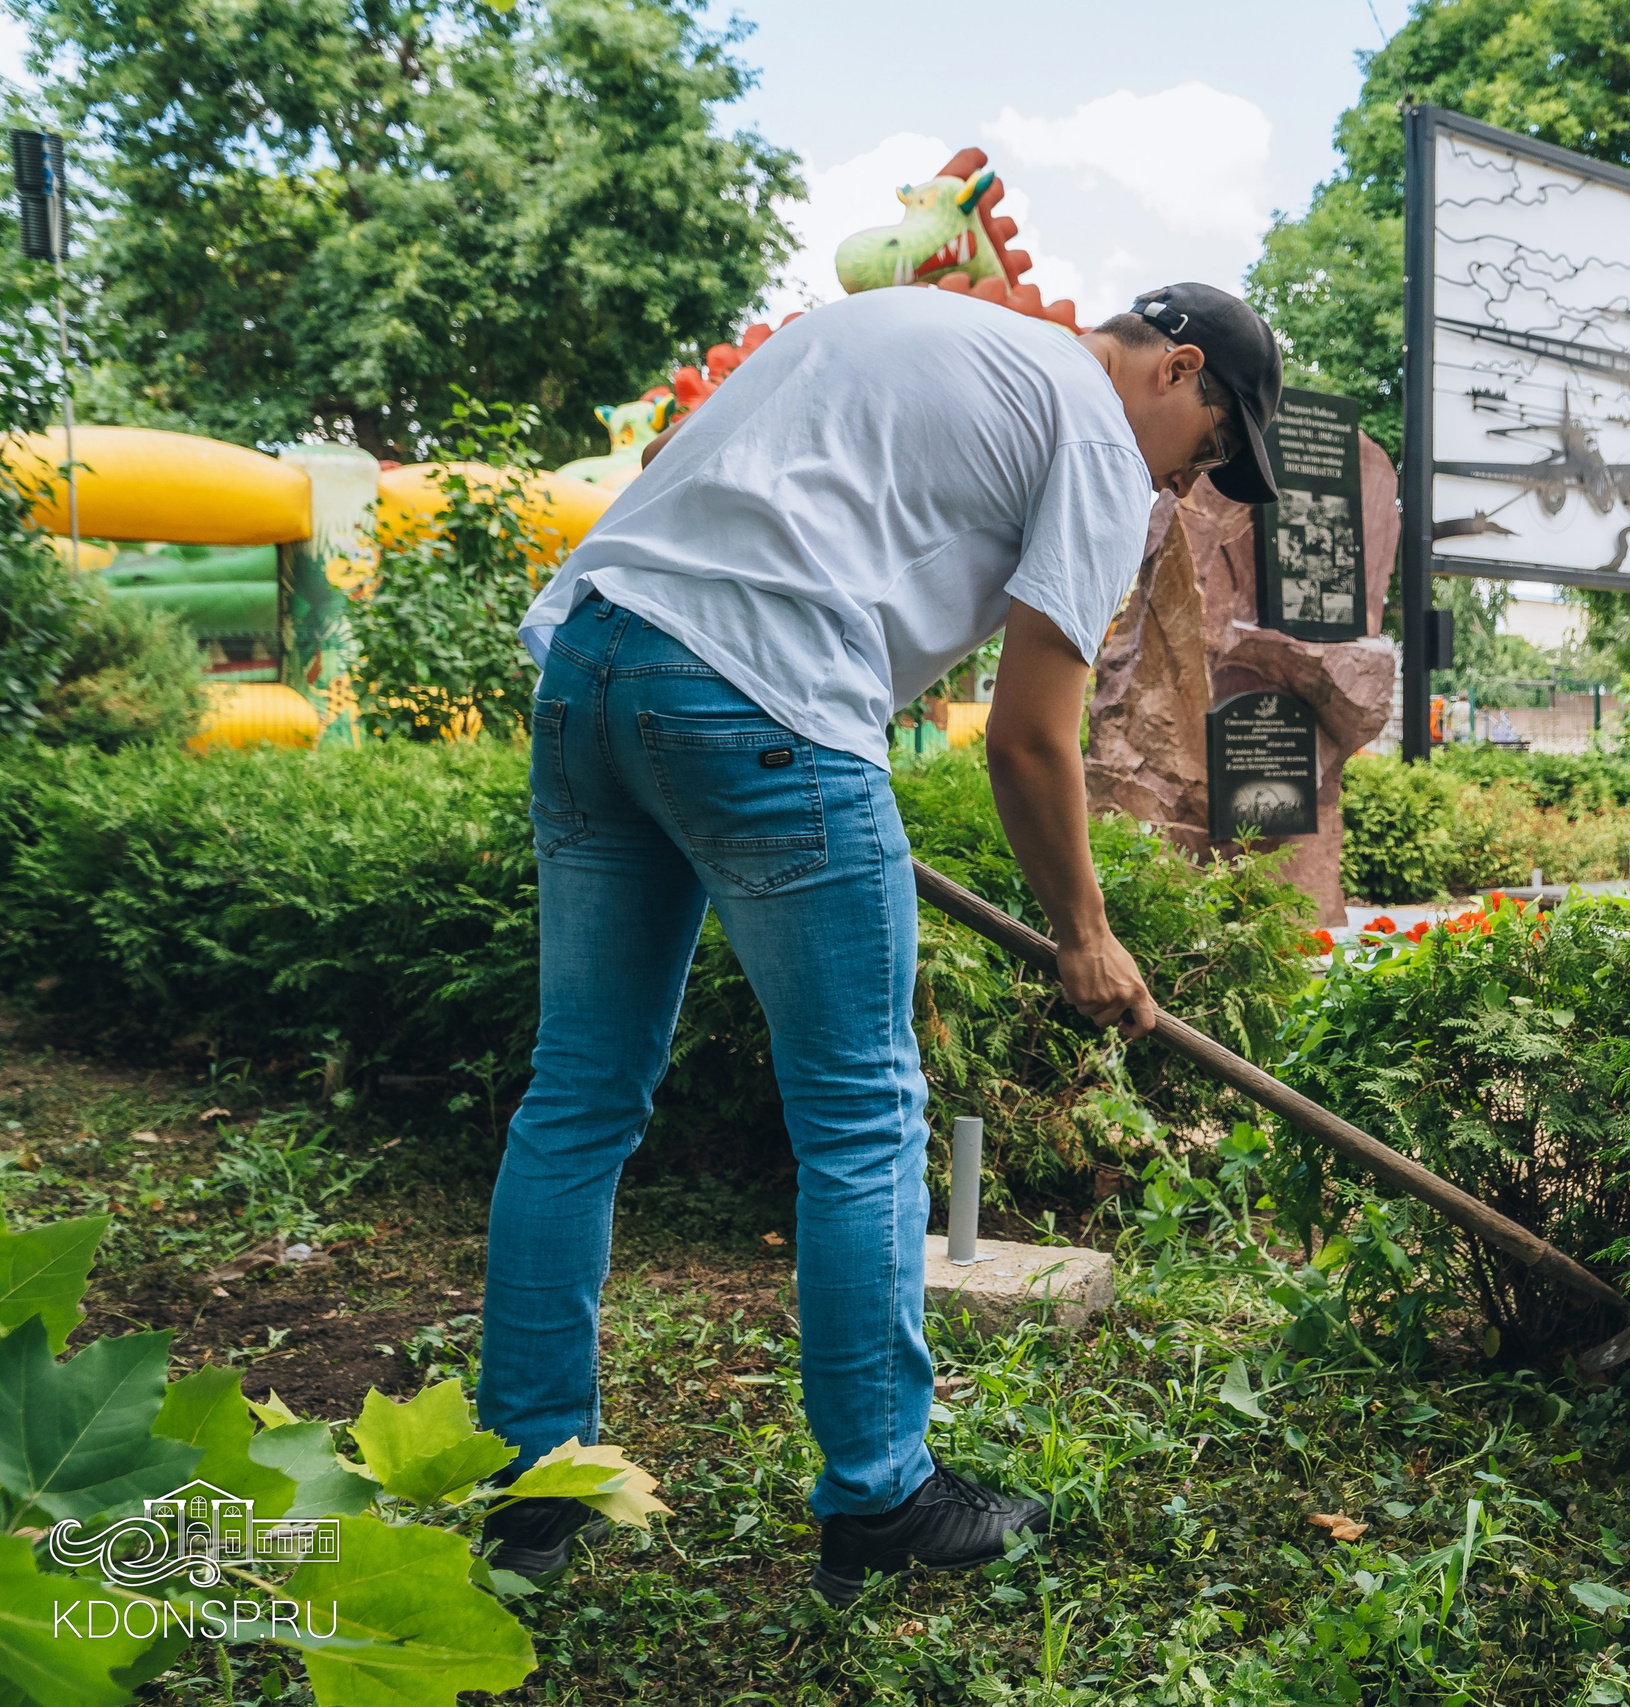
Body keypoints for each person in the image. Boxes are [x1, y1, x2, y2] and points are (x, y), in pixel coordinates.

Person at [474, 281, 1283, 1603]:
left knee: (577, 1096)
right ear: (1174, 370)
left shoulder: (910, 324)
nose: (1185, 488)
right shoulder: (1092, 426)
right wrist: (1085, 934)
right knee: (860, 1115)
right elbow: (1031, 736)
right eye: (1200, 455)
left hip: (594, 673)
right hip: (764, 700)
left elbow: (701, 490)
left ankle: (527, 1490)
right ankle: (882, 1496)